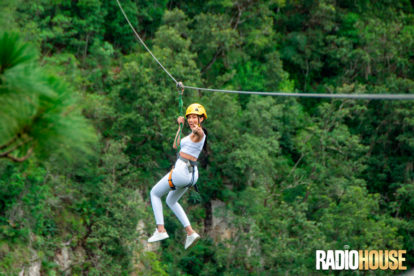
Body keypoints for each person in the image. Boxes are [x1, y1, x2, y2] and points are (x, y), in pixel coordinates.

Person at [148, 103, 208, 250]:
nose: (191, 120)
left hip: (182, 171)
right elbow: (176, 145)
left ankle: (160, 229)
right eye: (189, 118)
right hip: (191, 175)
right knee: (171, 200)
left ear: (201, 119)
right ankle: (190, 232)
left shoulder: (199, 133)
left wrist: (196, 128)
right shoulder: (189, 136)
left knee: (154, 193)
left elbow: (199, 133)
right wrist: (180, 127)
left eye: (195, 117)